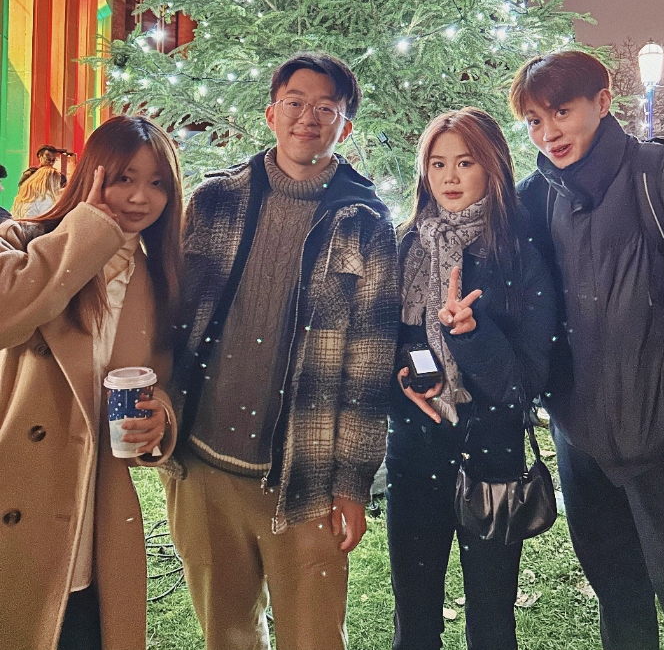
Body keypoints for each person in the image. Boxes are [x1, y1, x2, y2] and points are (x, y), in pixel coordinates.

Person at [162, 51, 399, 650]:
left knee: (315, 636)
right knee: (227, 633)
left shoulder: (365, 222)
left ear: (345, 127)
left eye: (326, 108)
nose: (308, 118)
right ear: (271, 113)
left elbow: (367, 367)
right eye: (295, 102)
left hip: (306, 479)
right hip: (204, 467)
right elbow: (174, 320)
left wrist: (351, 482)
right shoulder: (214, 201)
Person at [510, 50, 664, 650]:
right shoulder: (537, 199)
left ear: (603, 101)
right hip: (584, 446)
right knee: (619, 606)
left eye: (561, 111)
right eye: (535, 121)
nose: (549, 133)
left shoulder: (663, 178)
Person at [0, 115, 184, 650]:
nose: (139, 197)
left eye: (157, 184)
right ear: (93, 175)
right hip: (17, 494)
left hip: (92, 513)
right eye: (124, 177)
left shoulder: (156, 280)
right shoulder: (22, 238)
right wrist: (91, 232)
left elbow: (161, 382)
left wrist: (159, 422)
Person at [386, 108, 556, 650]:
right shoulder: (405, 246)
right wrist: (405, 382)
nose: (450, 177)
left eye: (465, 162)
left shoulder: (518, 255)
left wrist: (470, 333)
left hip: (492, 456)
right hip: (416, 452)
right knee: (414, 620)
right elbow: (385, 350)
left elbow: (525, 383)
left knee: (491, 622)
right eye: (437, 164)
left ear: (493, 169)